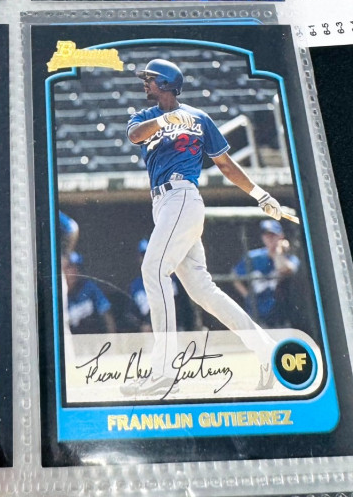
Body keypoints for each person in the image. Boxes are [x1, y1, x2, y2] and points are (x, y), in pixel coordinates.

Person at [122, 57, 283, 398]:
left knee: (153, 270)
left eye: (150, 78)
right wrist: (166, 119)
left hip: (182, 196)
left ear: (166, 83)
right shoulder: (145, 116)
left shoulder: (199, 118)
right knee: (202, 291)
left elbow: (225, 163)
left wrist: (260, 195)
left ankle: (163, 371)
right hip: (164, 205)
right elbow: (135, 136)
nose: (145, 83)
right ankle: (267, 350)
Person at [233, 218, 301, 327]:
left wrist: (278, 251)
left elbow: (284, 269)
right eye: (266, 235)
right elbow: (234, 275)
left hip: (280, 316)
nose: (269, 239)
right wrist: (247, 295)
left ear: (281, 236)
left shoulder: (290, 258)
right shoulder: (253, 257)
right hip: (256, 314)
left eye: (273, 235)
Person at [65, 252, 116, 336]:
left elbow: (106, 313)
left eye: (78, 268)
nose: (75, 271)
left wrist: (112, 339)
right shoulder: (58, 293)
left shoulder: (89, 287)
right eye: (70, 267)